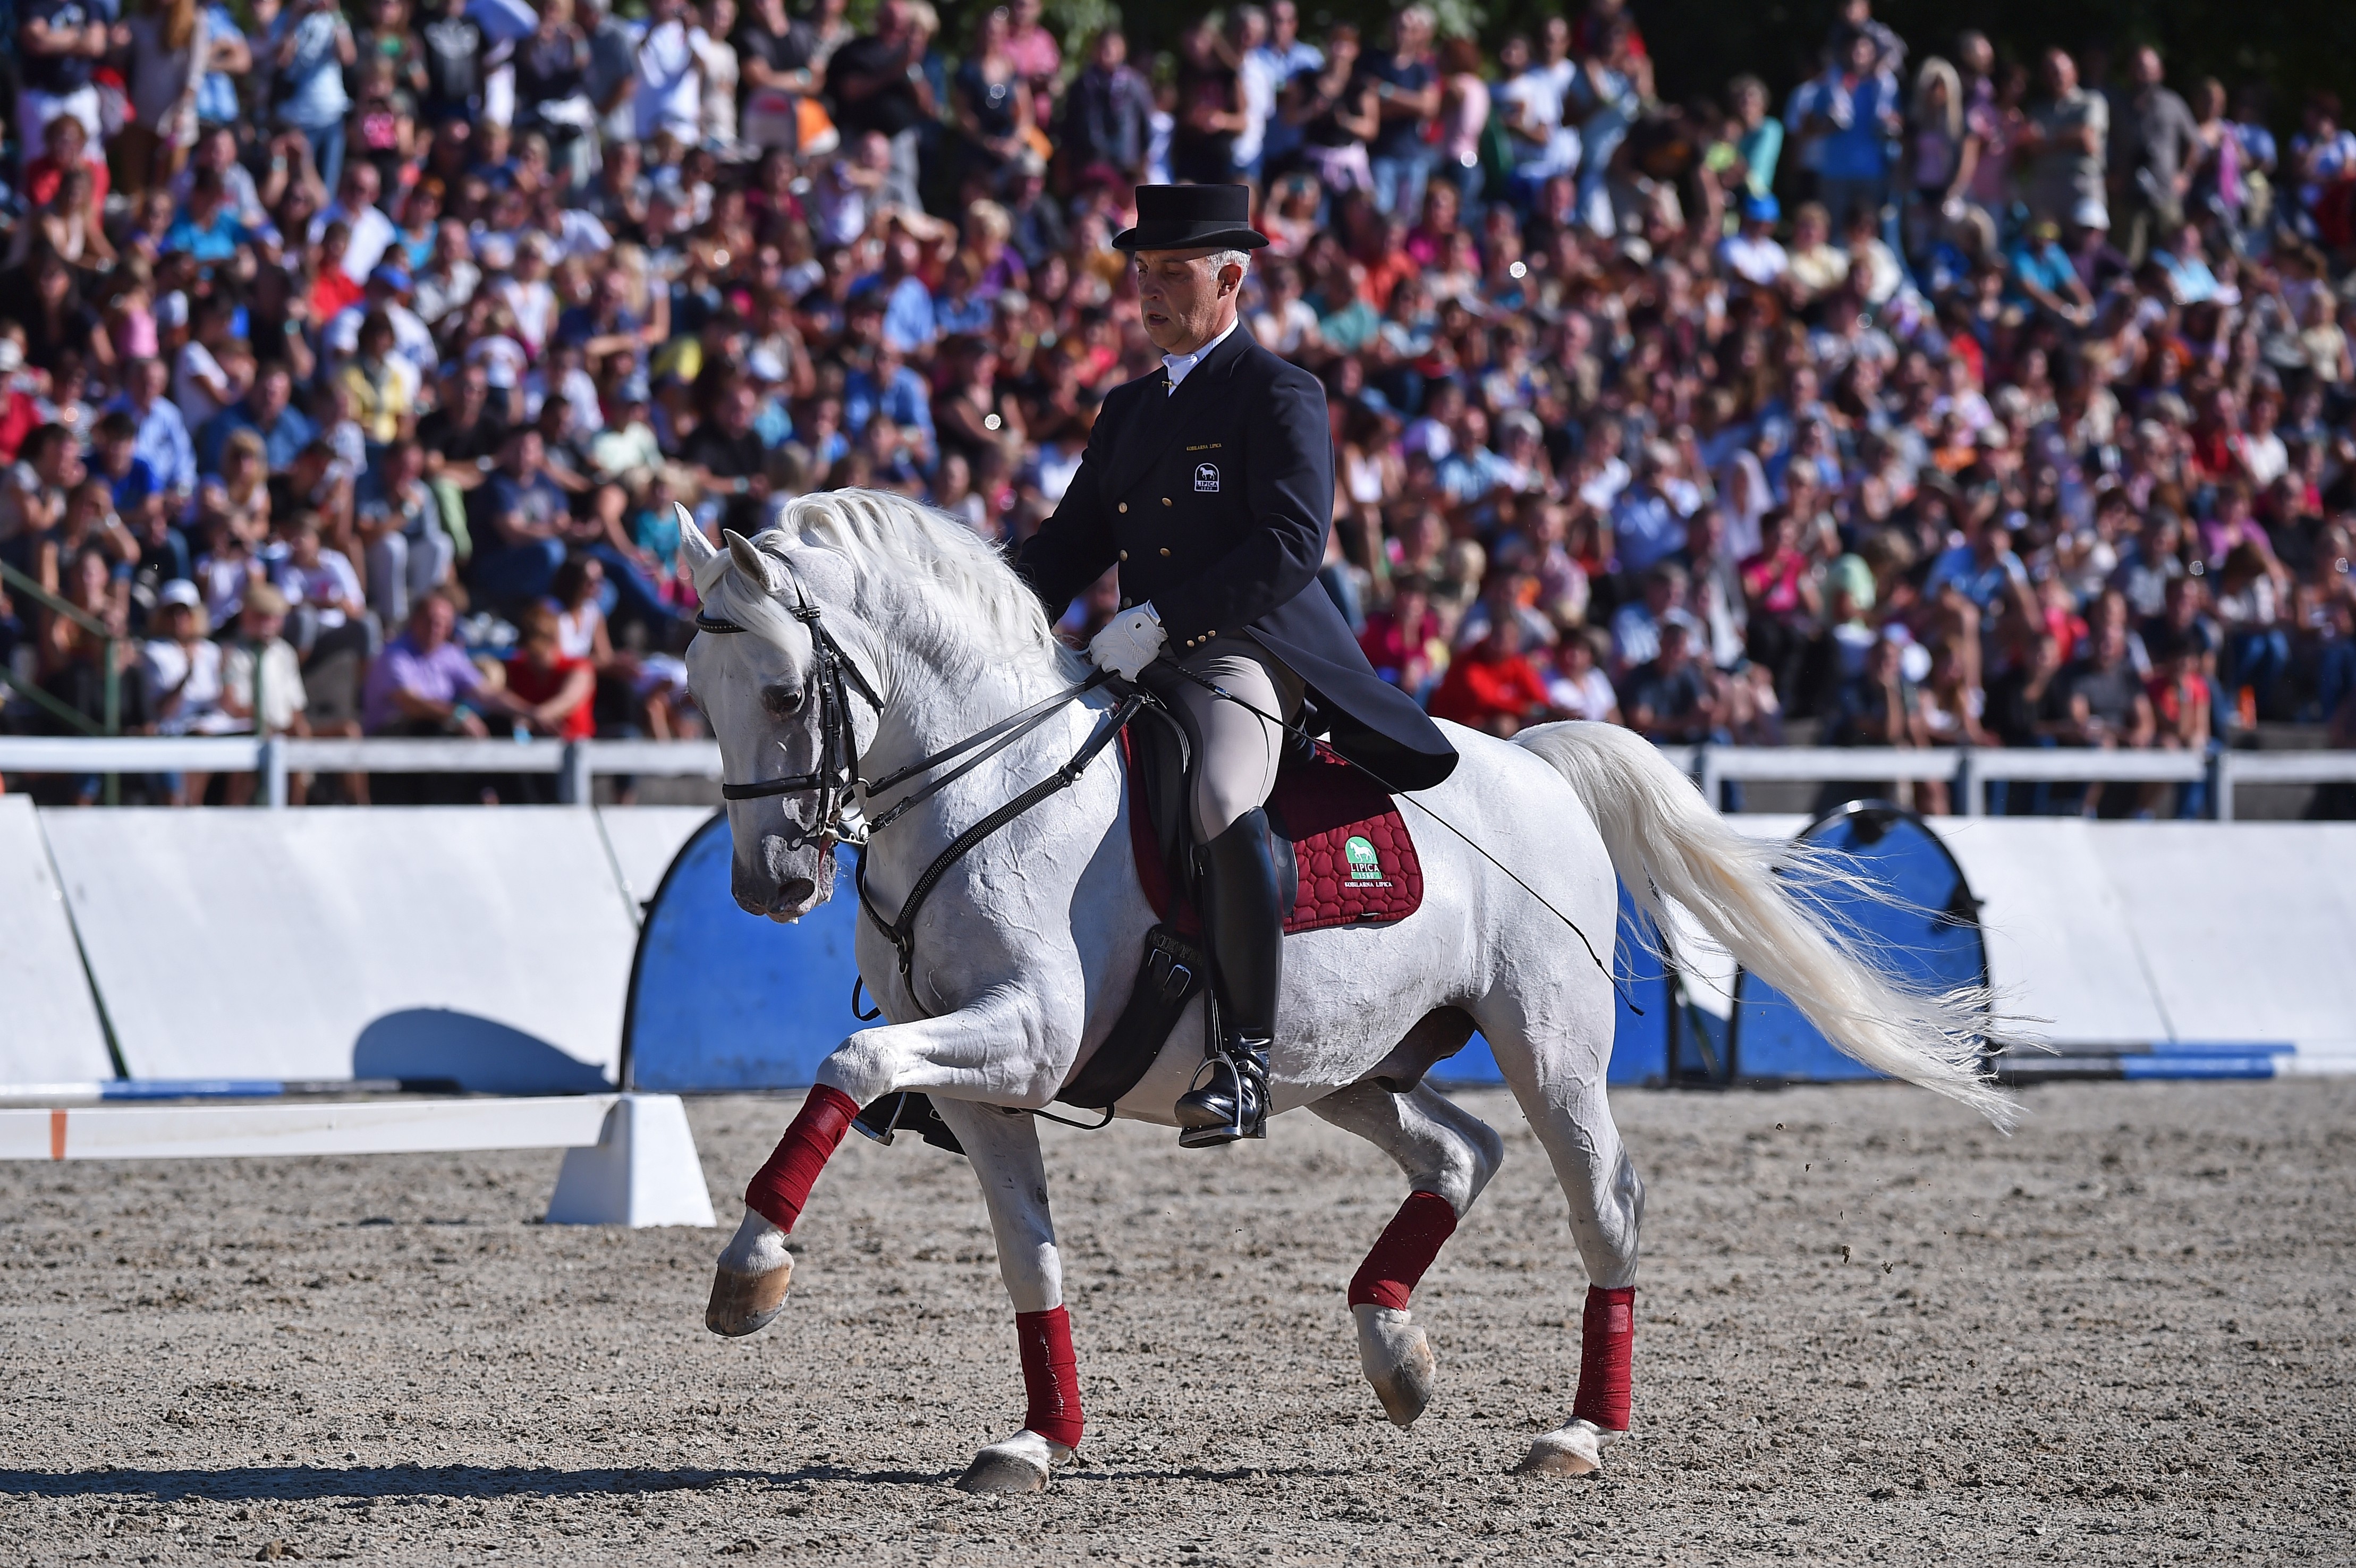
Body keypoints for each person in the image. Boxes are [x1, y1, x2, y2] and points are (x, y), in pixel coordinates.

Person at [1015, 183, 1457, 1146]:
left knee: (1220, 795)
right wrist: (985, 603)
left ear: (1229, 280)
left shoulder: (1279, 393)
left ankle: (1243, 1058)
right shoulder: (1128, 409)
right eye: (1142, 271)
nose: (1149, 290)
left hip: (1245, 653)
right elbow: (1069, 544)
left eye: (1172, 273)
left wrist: (1163, 619)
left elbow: (1290, 545)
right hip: (1139, 654)